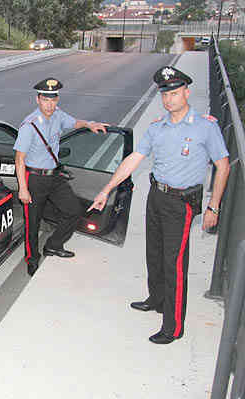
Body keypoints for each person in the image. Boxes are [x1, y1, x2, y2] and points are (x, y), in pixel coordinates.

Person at [88, 66, 230, 344]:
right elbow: (133, 160)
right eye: (165, 95)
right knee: (154, 253)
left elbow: (223, 166)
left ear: (186, 93)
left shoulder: (206, 127)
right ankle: (156, 299)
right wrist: (106, 189)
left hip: (182, 202)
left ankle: (173, 326)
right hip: (157, 196)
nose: (169, 100)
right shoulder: (157, 127)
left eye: (175, 93)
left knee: (174, 263)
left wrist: (214, 206)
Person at [14, 78, 108, 277]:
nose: (50, 104)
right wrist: (23, 188)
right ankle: (32, 259)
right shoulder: (29, 126)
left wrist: (89, 124)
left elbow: (75, 123)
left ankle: (54, 245)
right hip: (35, 179)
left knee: (73, 210)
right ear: (38, 99)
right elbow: (19, 160)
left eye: (53, 100)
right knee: (33, 222)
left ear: (57, 100)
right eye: (45, 100)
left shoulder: (58, 116)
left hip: (54, 176)